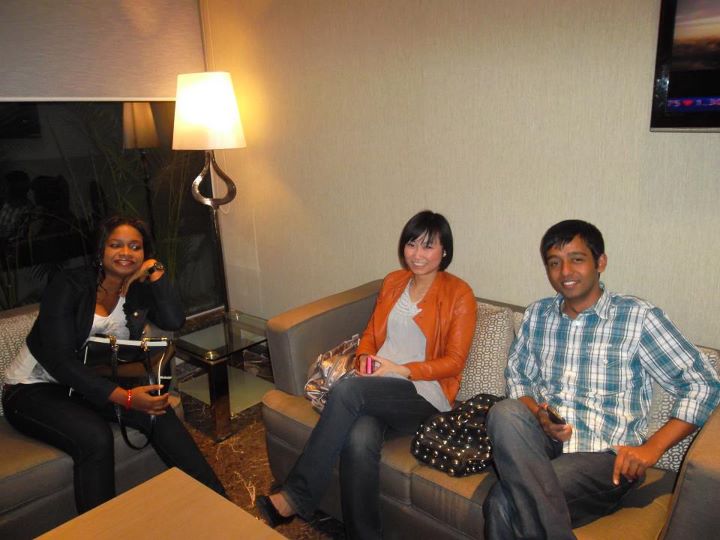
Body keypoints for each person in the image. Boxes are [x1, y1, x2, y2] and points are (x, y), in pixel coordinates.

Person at [483, 219, 720, 539]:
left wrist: (652, 449)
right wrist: (539, 415)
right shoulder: (538, 315)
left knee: (502, 502)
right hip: (546, 442)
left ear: (600, 262)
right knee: (505, 412)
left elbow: (704, 384)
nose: (565, 272)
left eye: (577, 259)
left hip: (606, 457)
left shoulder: (637, 317)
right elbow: (519, 379)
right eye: (554, 263)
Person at [256, 210, 477, 538]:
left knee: (349, 392)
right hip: (378, 387)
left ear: (444, 251)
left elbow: (454, 362)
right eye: (412, 244)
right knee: (359, 438)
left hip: (423, 394)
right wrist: (363, 360)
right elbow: (371, 334)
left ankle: (295, 496)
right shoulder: (394, 282)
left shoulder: (459, 294)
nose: (417, 254)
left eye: (428, 246)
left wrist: (401, 369)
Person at [2, 216, 225, 513]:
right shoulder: (69, 285)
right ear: (101, 250)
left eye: (135, 247)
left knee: (159, 411)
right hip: (33, 389)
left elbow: (174, 320)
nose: (126, 253)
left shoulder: (136, 290)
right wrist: (127, 397)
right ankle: (102, 528)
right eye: (116, 245)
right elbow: (60, 361)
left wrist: (155, 270)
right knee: (95, 437)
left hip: (87, 384)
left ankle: (223, 505)